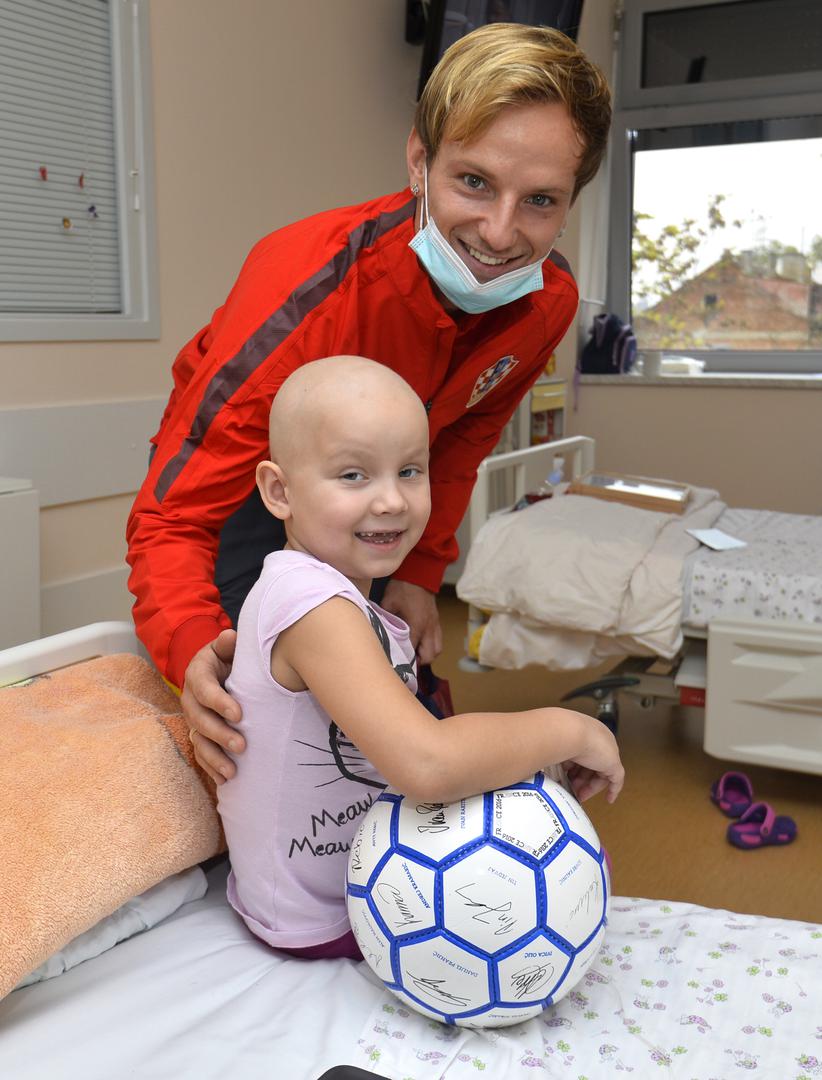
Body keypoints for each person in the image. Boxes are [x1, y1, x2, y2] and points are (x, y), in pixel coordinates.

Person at [125, 22, 612, 785]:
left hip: (385, 506)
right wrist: (191, 648)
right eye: (474, 182)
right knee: (253, 734)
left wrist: (418, 572)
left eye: (540, 201)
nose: (499, 231)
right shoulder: (306, 289)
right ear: (419, 160)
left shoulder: (546, 306)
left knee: (384, 716)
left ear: (571, 204)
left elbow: (459, 444)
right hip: (240, 497)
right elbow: (174, 517)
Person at [216, 356, 624, 959]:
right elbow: (427, 763)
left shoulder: (330, 591)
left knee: (547, 828)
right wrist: (574, 730)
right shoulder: (311, 604)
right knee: (566, 880)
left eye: (410, 470)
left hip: (361, 864)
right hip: (326, 915)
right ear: (280, 492)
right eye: (353, 475)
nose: (391, 501)